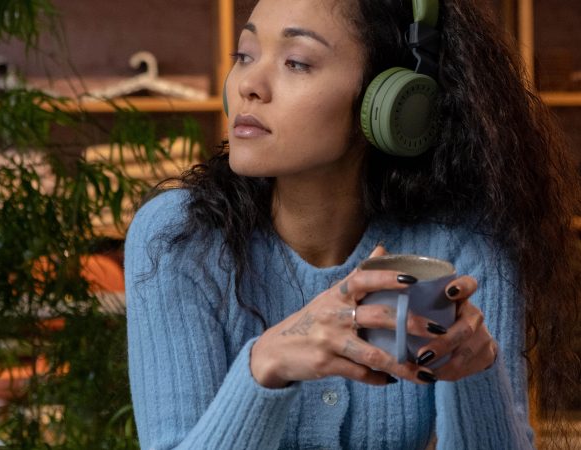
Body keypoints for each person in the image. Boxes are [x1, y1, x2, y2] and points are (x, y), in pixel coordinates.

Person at [125, 0, 580, 448]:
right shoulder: (179, 237)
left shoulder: (462, 243)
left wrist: (479, 374)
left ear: (396, 102)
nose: (250, 85)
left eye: (296, 62)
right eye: (244, 55)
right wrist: (265, 366)